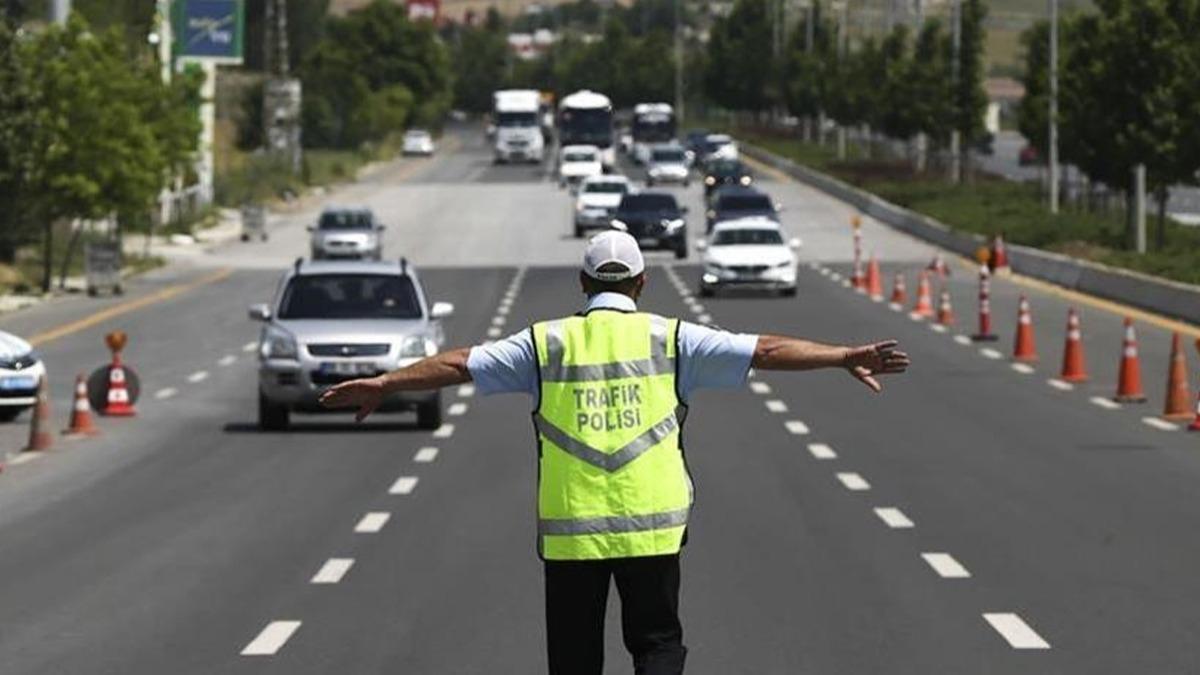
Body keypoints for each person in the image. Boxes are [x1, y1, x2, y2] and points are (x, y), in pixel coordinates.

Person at [319, 230, 910, 675]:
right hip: (652, 527)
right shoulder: (673, 338)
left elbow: (456, 363)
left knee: (575, 657)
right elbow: (766, 349)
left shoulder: (544, 343)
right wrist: (840, 356)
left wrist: (384, 383)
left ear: (582, 284)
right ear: (641, 283)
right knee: (657, 644)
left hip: (572, 529)